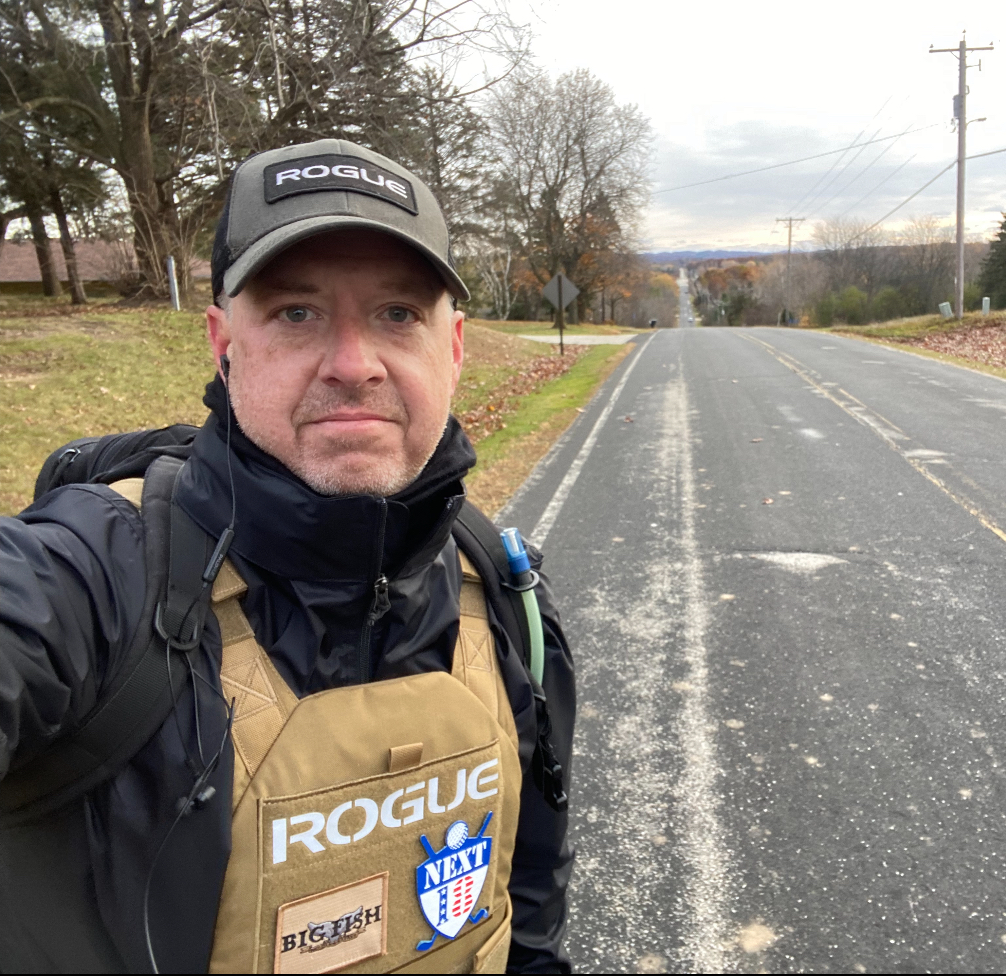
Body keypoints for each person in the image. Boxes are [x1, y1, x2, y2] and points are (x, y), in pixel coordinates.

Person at [0, 139, 575, 973]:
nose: (354, 366)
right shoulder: (95, 578)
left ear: (453, 349)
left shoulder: (505, 592)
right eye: (297, 314)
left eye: (398, 314)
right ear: (223, 343)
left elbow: (531, 906)